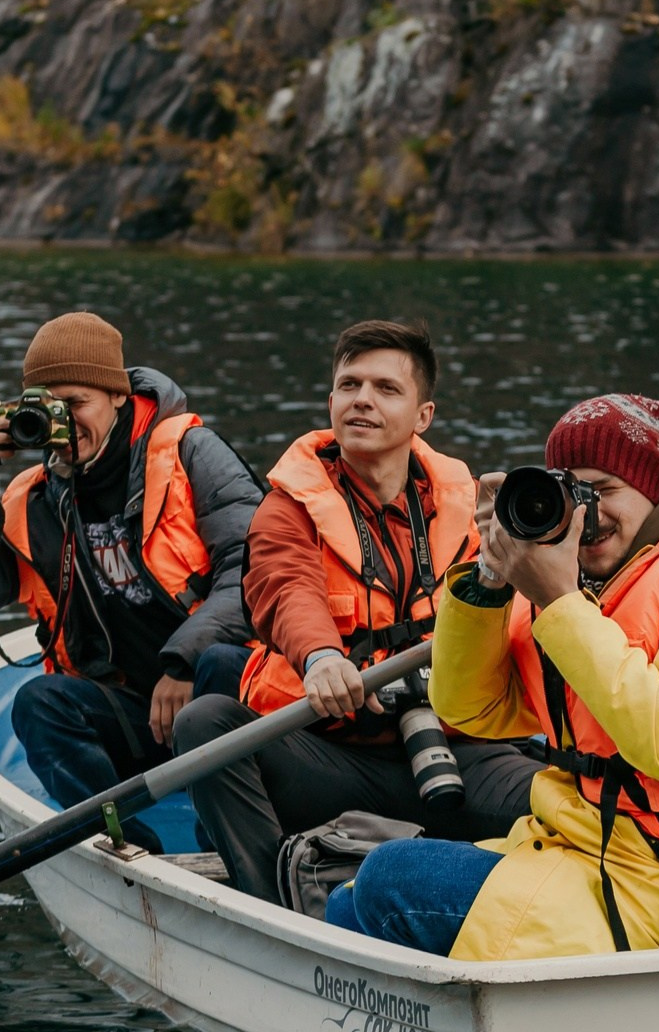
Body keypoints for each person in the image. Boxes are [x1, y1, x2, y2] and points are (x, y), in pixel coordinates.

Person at [328, 394, 659, 982]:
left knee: (391, 881)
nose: (587, 514)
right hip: (594, 856)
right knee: (350, 898)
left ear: (657, 492)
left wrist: (557, 599)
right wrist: (491, 580)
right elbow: (470, 709)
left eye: (605, 488)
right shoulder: (598, 587)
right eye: (571, 492)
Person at [174, 320, 539, 900]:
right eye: (350, 385)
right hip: (337, 758)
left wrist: (518, 559)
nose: (362, 400)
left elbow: (524, 625)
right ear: (331, 402)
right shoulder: (289, 506)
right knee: (205, 725)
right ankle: (278, 908)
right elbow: (285, 583)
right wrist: (322, 658)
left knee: (567, 799)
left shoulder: (473, 508)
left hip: (457, 753)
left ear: (423, 416)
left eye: (386, 389)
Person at [0, 312, 261, 852]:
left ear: (116, 396)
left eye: (76, 403)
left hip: (220, 697)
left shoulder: (190, 454)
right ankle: (129, 849)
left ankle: (229, 838)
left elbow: (254, 568)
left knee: (223, 669)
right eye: (47, 407)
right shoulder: (35, 497)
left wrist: (184, 661)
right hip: (132, 710)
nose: (62, 423)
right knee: (39, 703)